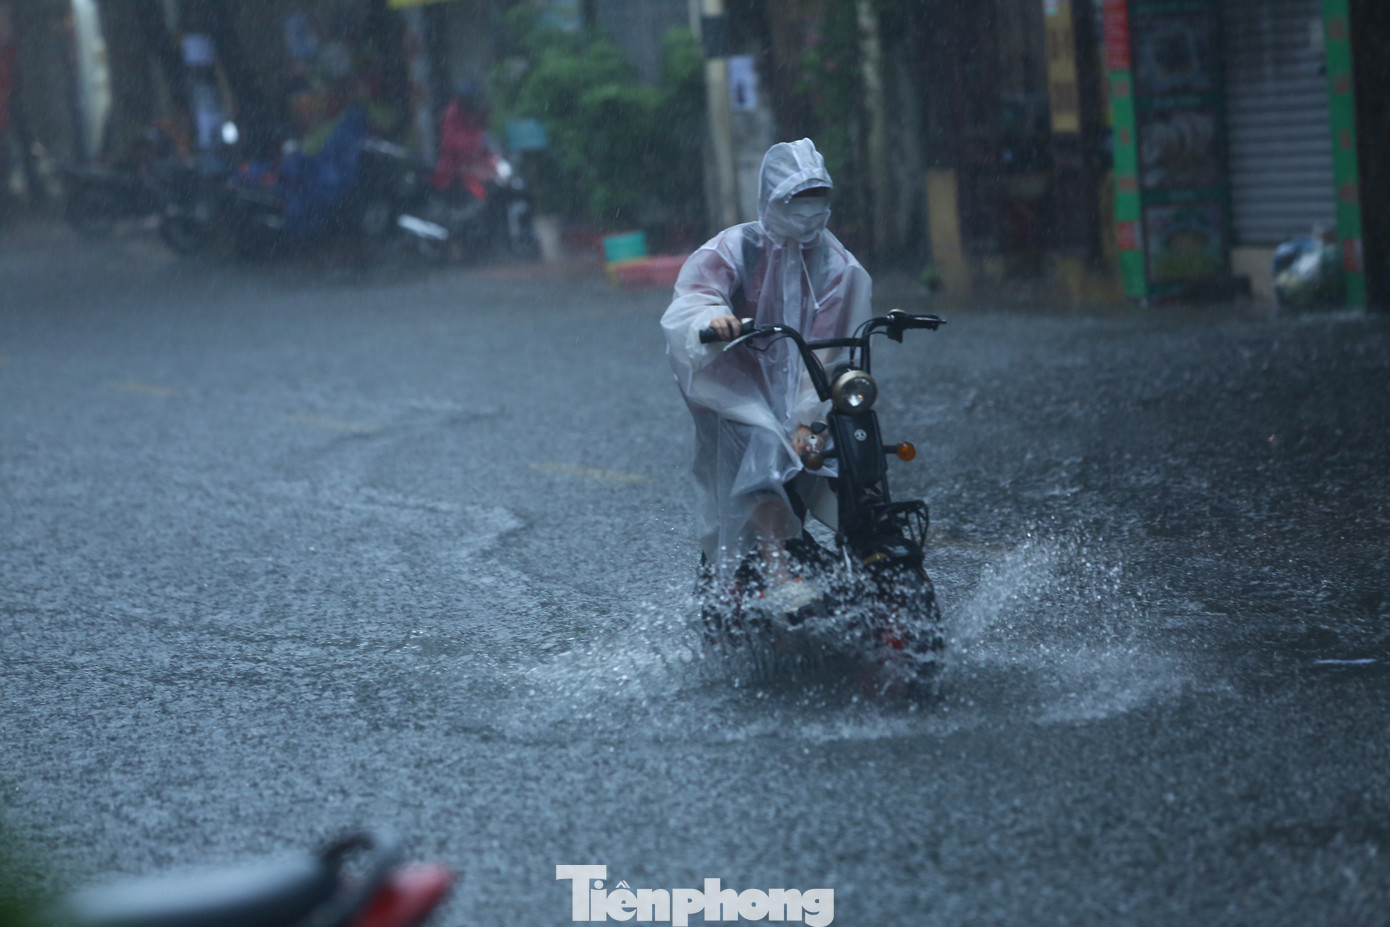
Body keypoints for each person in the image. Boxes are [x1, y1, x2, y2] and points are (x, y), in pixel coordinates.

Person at [661, 138, 873, 612]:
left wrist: (806, 417)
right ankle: (778, 571)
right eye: (798, 198)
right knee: (762, 444)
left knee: (857, 444)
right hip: (737, 383)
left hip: (807, 388)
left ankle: (871, 555)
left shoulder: (838, 266)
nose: (810, 210)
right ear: (773, 199)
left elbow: (831, 346)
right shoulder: (738, 247)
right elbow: (694, 297)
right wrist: (713, 321)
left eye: (818, 197)